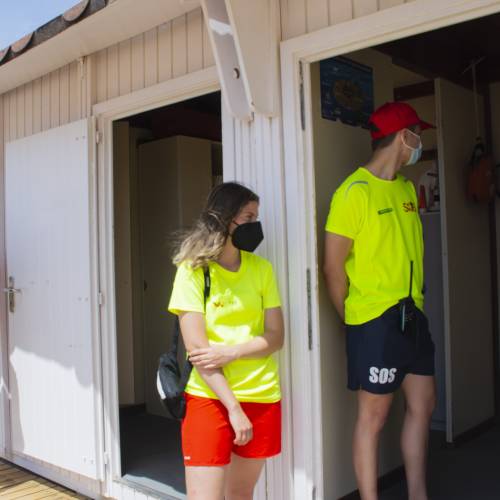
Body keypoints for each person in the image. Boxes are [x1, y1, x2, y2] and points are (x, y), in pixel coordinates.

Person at [323, 102, 437, 500]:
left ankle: (417, 494)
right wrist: (354, 321)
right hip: (375, 321)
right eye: (417, 135)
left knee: (424, 404)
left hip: (413, 314)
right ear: (404, 137)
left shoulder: (407, 189)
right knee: (373, 418)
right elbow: (333, 269)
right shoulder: (353, 192)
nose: (420, 143)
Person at [168, 182, 284, 500]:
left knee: (241, 494)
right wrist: (233, 408)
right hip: (210, 400)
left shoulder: (262, 269)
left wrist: (230, 352)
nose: (254, 225)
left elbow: (276, 336)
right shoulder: (192, 271)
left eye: (255, 217)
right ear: (224, 219)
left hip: (261, 397)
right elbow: (198, 352)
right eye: (248, 217)